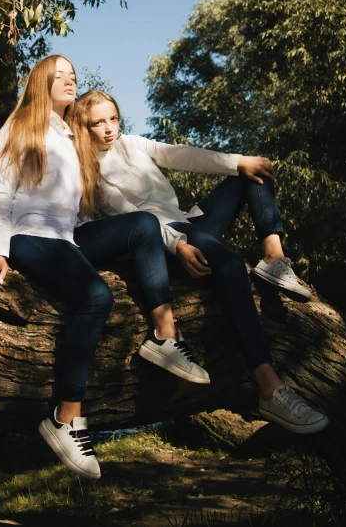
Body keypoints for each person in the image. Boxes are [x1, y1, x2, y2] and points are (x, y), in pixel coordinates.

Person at [0, 55, 208, 481]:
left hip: (70, 235)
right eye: (59, 75)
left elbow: (77, 206)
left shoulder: (71, 134)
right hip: (31, 237)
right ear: (41, 82)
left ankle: (165, 336)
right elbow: (2, 194)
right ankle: (66, 419)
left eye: (73, 76)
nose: (69, 80)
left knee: (141, 225)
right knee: (96, 296)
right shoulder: (20, 126)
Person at [71, 90, 329, 435]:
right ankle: (270, 388)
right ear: (82, 127)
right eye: (97, 122)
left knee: (253, 172)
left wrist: (238, 161)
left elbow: (180, 155)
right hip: (163, 241)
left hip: (186, 222)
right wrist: (177, 245)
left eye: (113, 119)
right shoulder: (88, 171)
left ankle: (274, 259)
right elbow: (132, 218)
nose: (108, 128)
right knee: (232, 265)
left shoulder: (131, 144)